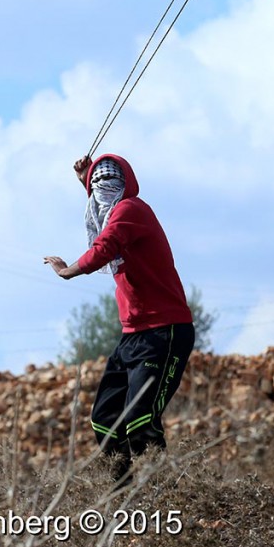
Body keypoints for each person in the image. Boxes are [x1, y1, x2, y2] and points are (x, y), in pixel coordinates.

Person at [44, 154, 195, 484]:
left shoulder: (131, 210)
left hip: (166, 331)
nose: (102, 188)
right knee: (104, 418)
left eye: (110, 181)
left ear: (126, 184)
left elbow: (107, 244)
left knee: (140, 419)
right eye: (98, 182)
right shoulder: (111, 212)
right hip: (133, 335)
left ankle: (170, 493)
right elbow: (103, 215)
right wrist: (87, 179)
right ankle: (124, 492)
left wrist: (69, 270)